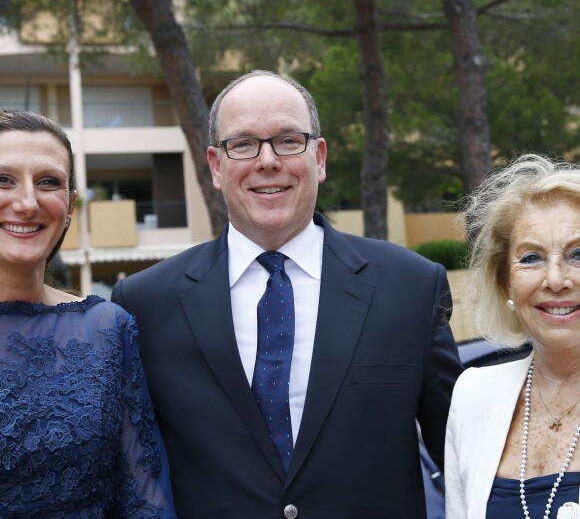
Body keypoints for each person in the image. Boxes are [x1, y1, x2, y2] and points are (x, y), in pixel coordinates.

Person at [112, 70, 463, 518]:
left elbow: (463, 457)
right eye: (243, 144)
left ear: (319, 157)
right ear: (217, 167)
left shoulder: (412, 287)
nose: (267, 161)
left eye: (287, 140)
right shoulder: (144, 303)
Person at [0, 110, 176, 517]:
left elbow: (145, 497)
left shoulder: (107, 328)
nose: (27, 202)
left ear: (70, 206)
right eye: (3, 179)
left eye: (49, 182)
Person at [445, 154, 580, 518]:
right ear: (505, 280)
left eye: (578, 254)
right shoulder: (473, 395)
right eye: (532, 258)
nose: (556, 279)